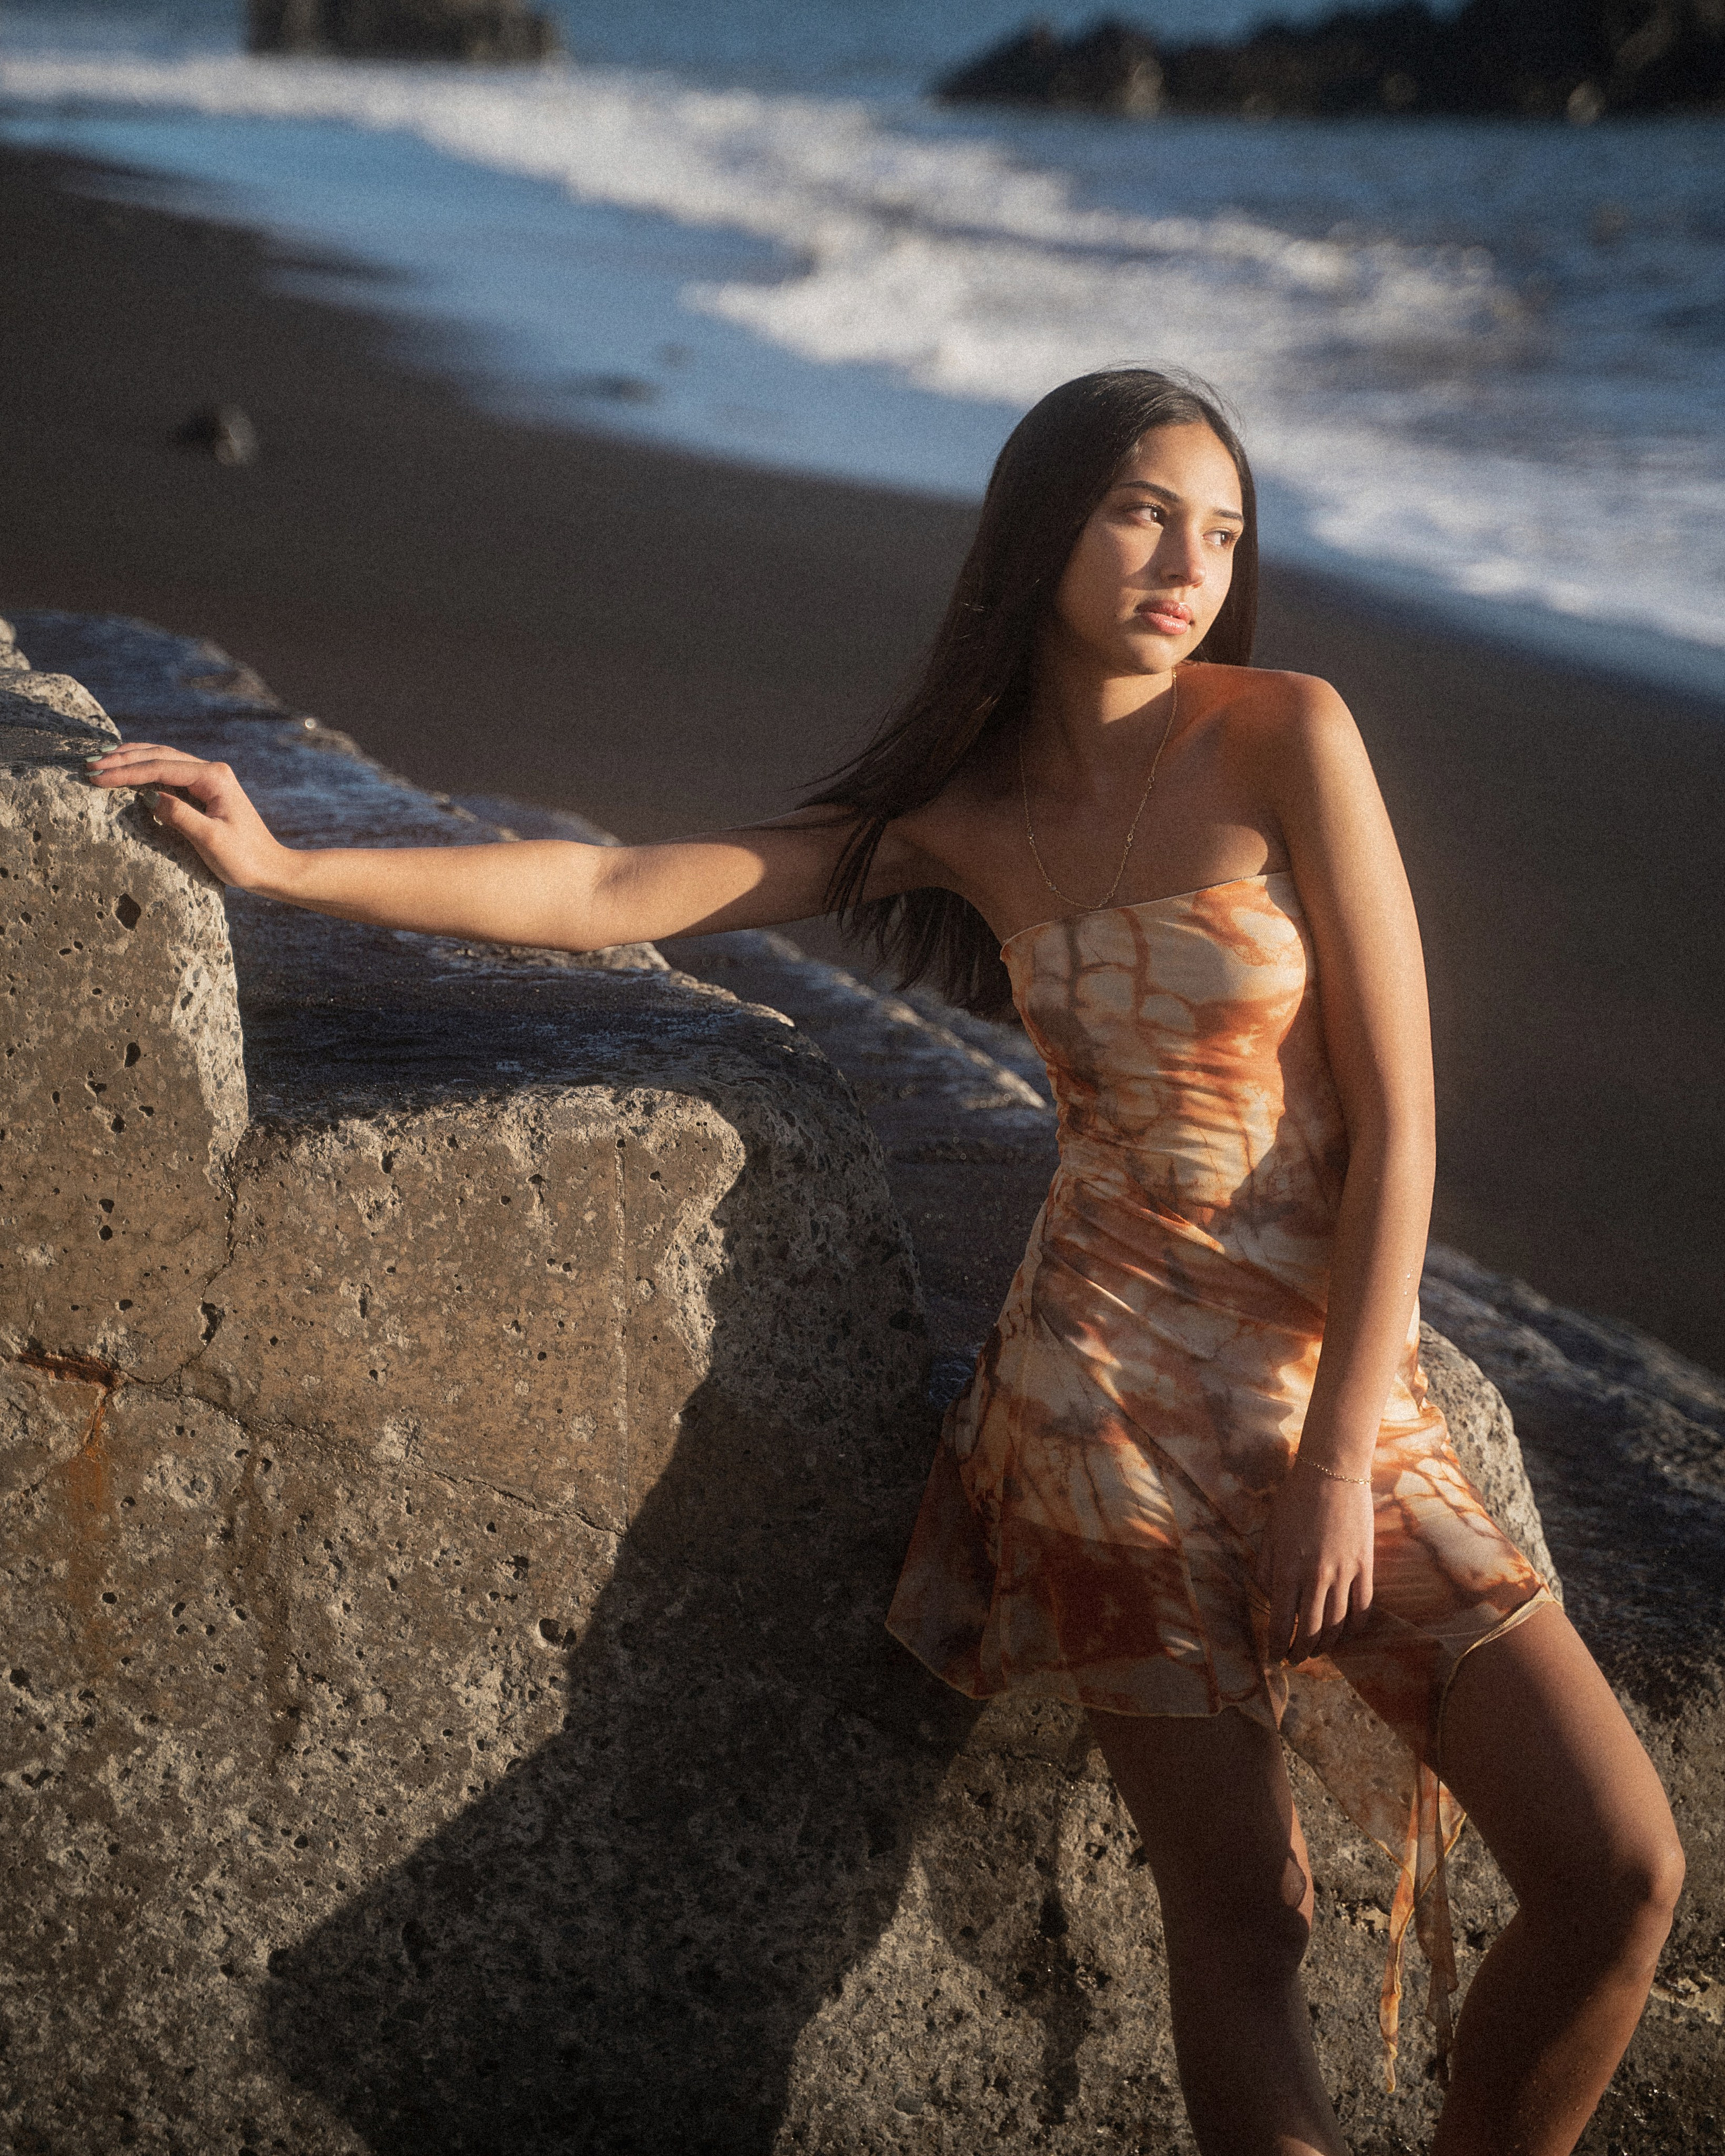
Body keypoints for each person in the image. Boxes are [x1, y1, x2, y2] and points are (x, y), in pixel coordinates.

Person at [87, 369, 1682, 2155]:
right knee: (1246, 1919)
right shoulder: (964, 812)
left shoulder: (1288, 731)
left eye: (1222, 528)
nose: (1187, 559)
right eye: (1145, 509)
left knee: (1621, 1868)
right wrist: (292, 868)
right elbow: (622, 891)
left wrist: (1333, 1466)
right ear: (1046, 526)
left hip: (1330, 1397)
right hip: (1102, 1411)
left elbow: (1403, 1123)